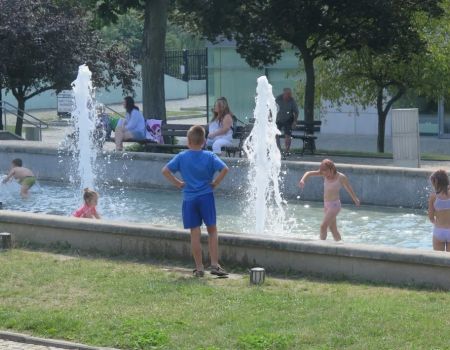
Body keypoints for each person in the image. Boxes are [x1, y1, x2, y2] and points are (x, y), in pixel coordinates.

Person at [162, 125, 229, 277]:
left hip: (189, 199)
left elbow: (165, 171)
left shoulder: (182, 157)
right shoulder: (210, 156)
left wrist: (178, 183)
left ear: (188, 141)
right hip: (206, 197)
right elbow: (225, 169)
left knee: (195, 233)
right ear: (204, 141)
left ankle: (199, 268)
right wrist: (215, 183)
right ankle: (214, 264)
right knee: (212, 230)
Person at [299, 159, 360, 241]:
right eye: (323, 174)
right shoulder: (324, 173)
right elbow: (308, 173)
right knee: (333, 230)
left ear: (332, 169)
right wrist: (303, 180)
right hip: (326, 205)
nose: (326, 176)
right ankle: (340, 245)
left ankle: (321, 247)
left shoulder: (341, 177)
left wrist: (355, 198)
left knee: (323, 226)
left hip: (335, 206)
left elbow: (348, 188)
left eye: (327, 174)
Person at [428, 169, 450, 252]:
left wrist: (437, 222)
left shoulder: (433, 197)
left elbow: (431, 217)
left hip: (439, 230)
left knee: (438, 260)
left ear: (435, 183)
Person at [275, 87, 299, 156]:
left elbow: (296, 112)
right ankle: (278, 149)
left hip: (288, 119)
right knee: (275, 134)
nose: (289, 96)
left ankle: (287, 151)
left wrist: (295, 122)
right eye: (288, 94)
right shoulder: (278, 99)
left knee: (288, 135)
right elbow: (271, 108)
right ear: (284, 94)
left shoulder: (292, 100)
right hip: (279, 119)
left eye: (290, 94)